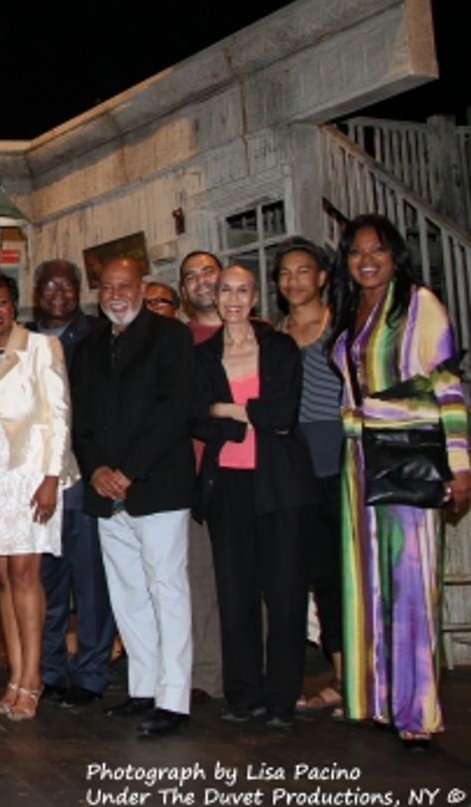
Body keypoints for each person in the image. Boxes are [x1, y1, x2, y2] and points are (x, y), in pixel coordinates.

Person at [328, 214, 471, 750]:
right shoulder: (354, 309)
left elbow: (447, 385)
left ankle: (418, 712)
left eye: (378, 251)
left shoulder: (420, 304)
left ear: (395, 256)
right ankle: (380, 700)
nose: (367, 260)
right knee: (367, 583)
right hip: (359, 461)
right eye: (357, 251)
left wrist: (460, 462)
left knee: (410, 584)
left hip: (407, 458)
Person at [71, 257, 195, 738]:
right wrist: (98, 469)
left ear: (142, 288)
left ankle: (174, 696)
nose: (115, 294)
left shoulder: (171, 337)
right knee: (127, 594)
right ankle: (143, 688)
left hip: (157, 486)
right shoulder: (88, 347)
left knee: (167, 589)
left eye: (124, 285)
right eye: (106, 287)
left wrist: (128, 470)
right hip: (106, 491)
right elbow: (80, 421)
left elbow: (173, 410)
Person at [192, 265, 316, 729]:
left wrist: (225, 408)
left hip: (281, 485)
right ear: (215, 297)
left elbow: (284, 415)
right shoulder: (203, 357)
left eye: (243, 290)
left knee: (284, 595)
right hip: (227, 485)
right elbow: (197, 420)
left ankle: (282, 698)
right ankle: (242, 696)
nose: (234, 299)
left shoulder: (280, 348)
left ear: (256, 297)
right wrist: (243, 415)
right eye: (225, 290)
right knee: (235, 594)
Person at [0, 271, 78, 721]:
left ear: (15, 306)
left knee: (27, 577)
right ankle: (13, 677)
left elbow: (59, 416)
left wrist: (51, 478)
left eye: (1, 303)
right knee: (3, 580)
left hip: (29, 476)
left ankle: (33, 679)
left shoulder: (41, 348)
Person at [25, 259, 116, 709]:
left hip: (84, 475)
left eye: (66, 287)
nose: (57, 294)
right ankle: (50, 669)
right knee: (46, 582)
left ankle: (92, 673)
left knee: (92, 582)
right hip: (33, 478)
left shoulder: (100, 335)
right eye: (48, 287)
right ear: (36, 290)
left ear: (79, 290)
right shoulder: (21, 339)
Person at [273, 238, 346, 715]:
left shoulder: (342, 328)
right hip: (295, 465)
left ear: (322, 277)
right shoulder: (275, 336)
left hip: (343, 461)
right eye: (284, 273)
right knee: (319, 577)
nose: (294, 280)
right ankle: (341, 677)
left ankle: (359, 679)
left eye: (303, 271)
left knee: (349, 577)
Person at [177, 249, 225, 704]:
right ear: (184, 291)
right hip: (192, 475)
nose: (201, 281)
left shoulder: (261, 335)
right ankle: (208, 676)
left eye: (207, 271)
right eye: (190, 277)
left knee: (254, 580)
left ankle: (255, 672)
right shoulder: (177, 341)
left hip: (250, 475)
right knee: (201, 580)